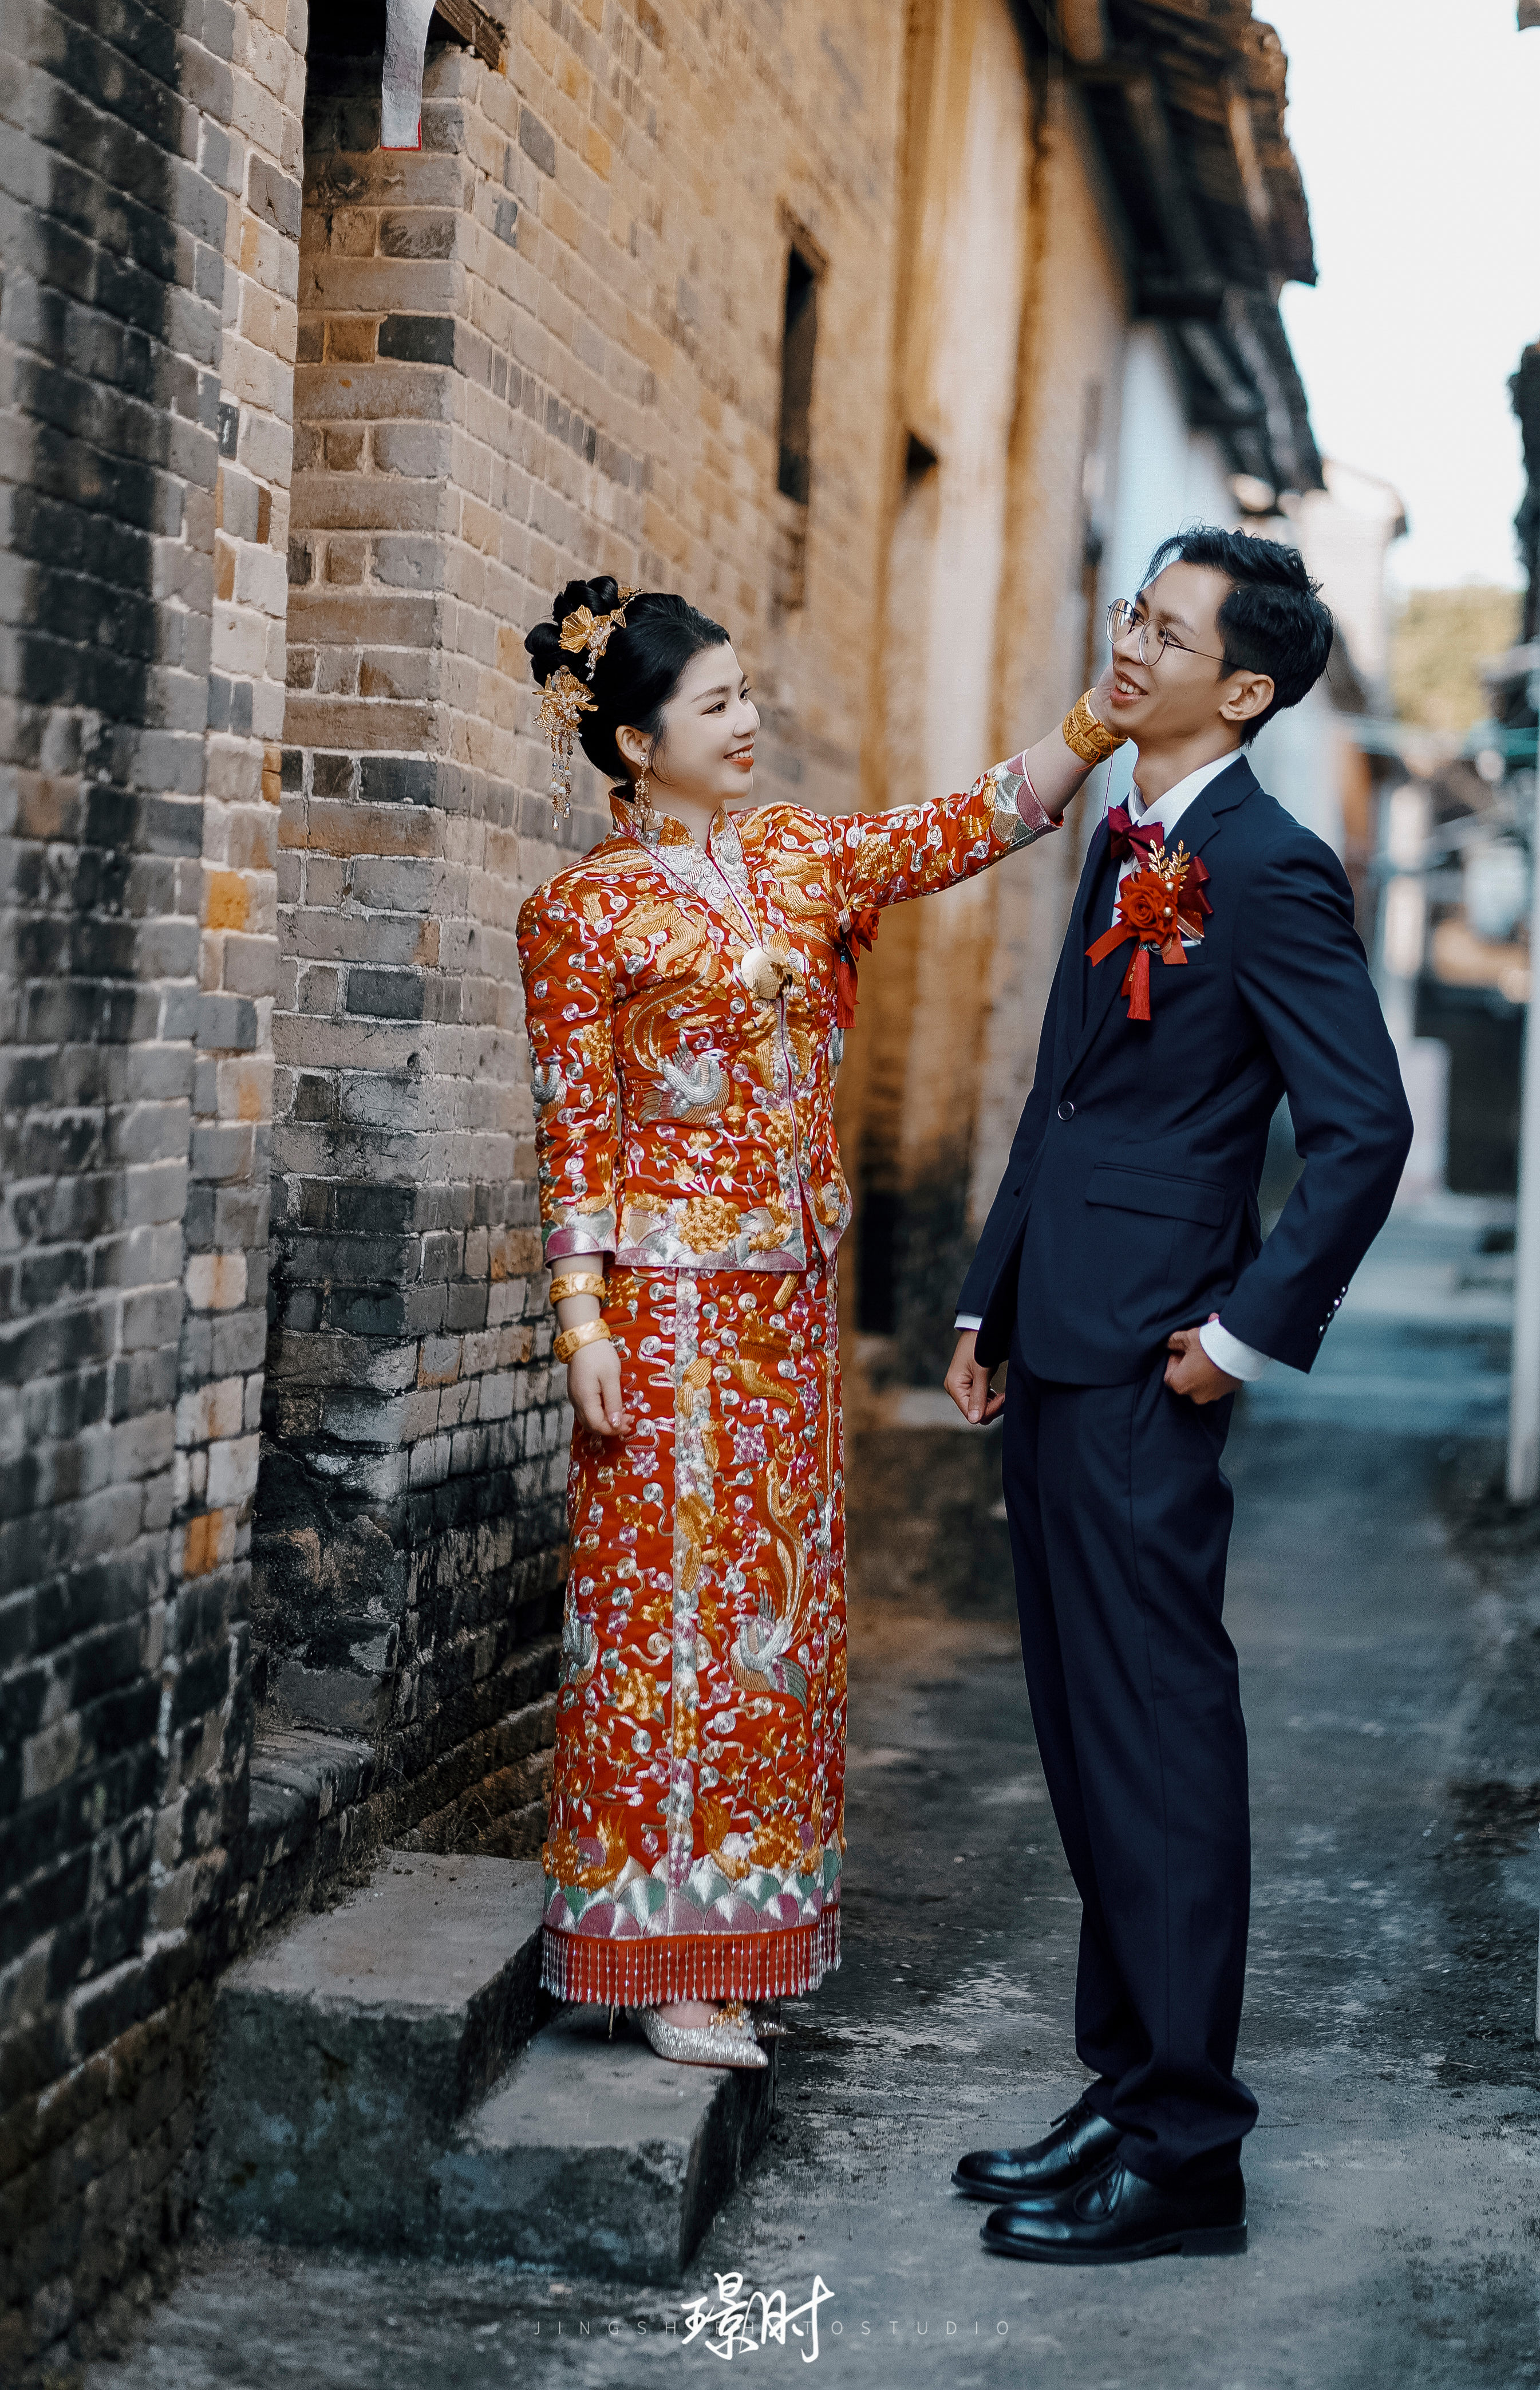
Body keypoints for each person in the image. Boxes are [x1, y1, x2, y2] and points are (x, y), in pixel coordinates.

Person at [516, 576, 1111, 2068]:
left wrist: (1095, 726)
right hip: (662, 1315)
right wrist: (582, 1323)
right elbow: (574, 1128)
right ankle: (659, 1959)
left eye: (746, 695)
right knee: (660, 1622)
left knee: (772, 1621)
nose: (749, 722)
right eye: (716, 703)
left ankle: (744, 1926)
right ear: (636, 742)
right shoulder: (581, 913)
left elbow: (957, 829)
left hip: (785, 1312)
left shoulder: (794, 856)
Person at [945, 527, 1413, 2258]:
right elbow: (1066, 1091)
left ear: (1246, 687)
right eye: (1131, 614)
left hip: (1158, 1355)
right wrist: (988, 1294)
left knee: (1159, 1732)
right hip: (1060, 1328)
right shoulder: (1127, 832)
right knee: (1086, 1730)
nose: (1129, 645)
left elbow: (1363, 1130)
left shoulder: (1271, 867)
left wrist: (1240, 1336)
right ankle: (1128, 2086)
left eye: (1168, 630)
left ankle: (1191, 2154)